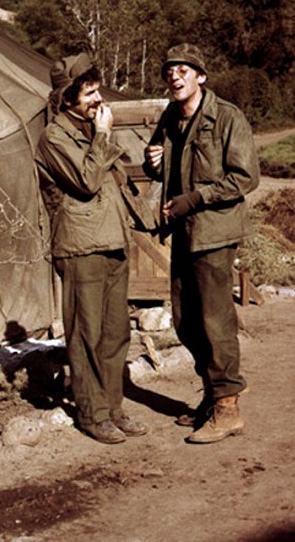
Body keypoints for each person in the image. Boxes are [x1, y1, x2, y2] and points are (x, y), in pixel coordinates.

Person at [144, 43, 259, 444]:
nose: (174, 77)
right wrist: (151, 161)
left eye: (183, 71)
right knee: (184, 319)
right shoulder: (171, 118)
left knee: (215, 320)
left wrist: (197, 197)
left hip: (215, 232)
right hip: (183, 233)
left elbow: (245, 177)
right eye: (169, 72)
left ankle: (228, 408)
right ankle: (212, 396)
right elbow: (158, 166)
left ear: (201, 76)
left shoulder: (226, 117)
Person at [35, 53, 147, 444]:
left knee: (116, 334)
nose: (99, 100)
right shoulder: (54, 137)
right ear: (67, 100)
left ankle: (113, 408)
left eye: (98, 91)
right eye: (89, 93)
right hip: (81, 246)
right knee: (86, 334)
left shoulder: (88, 130)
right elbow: (86, 181)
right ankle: (92, 413)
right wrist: (102, 137)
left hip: (112, 241)